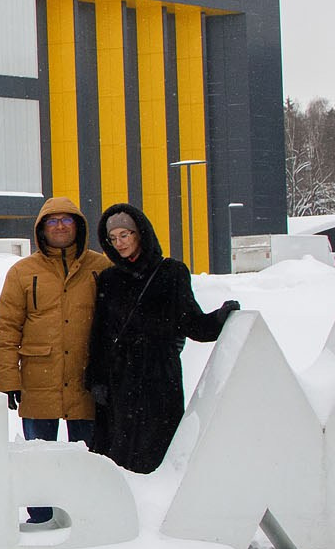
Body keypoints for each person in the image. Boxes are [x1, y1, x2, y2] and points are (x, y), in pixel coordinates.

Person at [86, 202, 239, 474]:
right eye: (113, 238)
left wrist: (218, 319)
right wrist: (96, 380)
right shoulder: (109, 279)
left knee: (159, 457)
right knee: (119, 460)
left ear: (140, 233)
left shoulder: (171, 273)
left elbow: (192, 323)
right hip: (120, 383)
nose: (119, 243)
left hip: (159, 381)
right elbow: (99, 335)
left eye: (125, 235)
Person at [0, 197, 111, 524]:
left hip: (87, 381)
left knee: (86, 457)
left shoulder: (101, 268)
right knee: (39, 457)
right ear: (42, 228)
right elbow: (7, 329)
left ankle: (84, 518)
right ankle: (42, 518)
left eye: (67, 220)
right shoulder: (22, 272)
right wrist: (8, 380)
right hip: (38, 380)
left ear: (79, 226)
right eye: (52, 221)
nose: (60, 226)